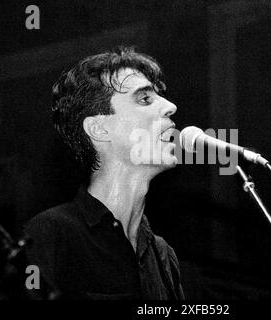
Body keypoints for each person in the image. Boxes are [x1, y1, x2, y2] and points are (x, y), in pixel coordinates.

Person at [24, 46, 184, 300]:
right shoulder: (53, 232)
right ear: (99, 128)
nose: (170, 106)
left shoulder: (162, 254)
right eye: (144, 99)